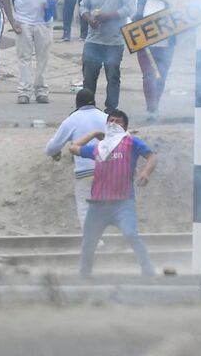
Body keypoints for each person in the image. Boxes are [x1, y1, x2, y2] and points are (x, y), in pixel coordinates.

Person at [68, 109, 158, 277]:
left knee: (131, 234)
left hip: (122, 203)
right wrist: (94, 133)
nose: (113, 124)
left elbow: (152, 156)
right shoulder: (99, 148)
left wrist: (146, 173)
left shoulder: (131, 142)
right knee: (89, 241)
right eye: (110, 121)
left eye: (118, 121)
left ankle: (149, 271)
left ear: (125, 127)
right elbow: (73, 148)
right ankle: (84, 276)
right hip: (98, 206)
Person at [1, 0, 62, 104]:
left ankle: (41, 91)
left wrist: (53, 1)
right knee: (24, 58)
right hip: (23, 22)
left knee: (43, 57)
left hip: (44, 21)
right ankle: (24, 92)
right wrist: (12, 21)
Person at [44, 89, 107, 229]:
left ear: (77, 103)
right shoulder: (106, 117)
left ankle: (93, 239)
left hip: (85, 172)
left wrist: (56, 152)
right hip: (108, 171)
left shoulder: (72, 119)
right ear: (95, 102)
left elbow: (51, 149)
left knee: (85, 208)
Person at [79, 0, 136, 111]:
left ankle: (111, 109)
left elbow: (130, 9)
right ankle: (87, 108)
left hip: (114, 42)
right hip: (93, 40)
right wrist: (89, 18)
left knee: (113, 77)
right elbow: (83, 6)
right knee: (89, 77)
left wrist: (108, 16)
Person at [134, 0, 176, 122]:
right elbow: (131, 22)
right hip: (145, 45)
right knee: (148, 75)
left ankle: (155, 104)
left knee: (161, 76)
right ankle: (151, 108)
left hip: (166, 45)